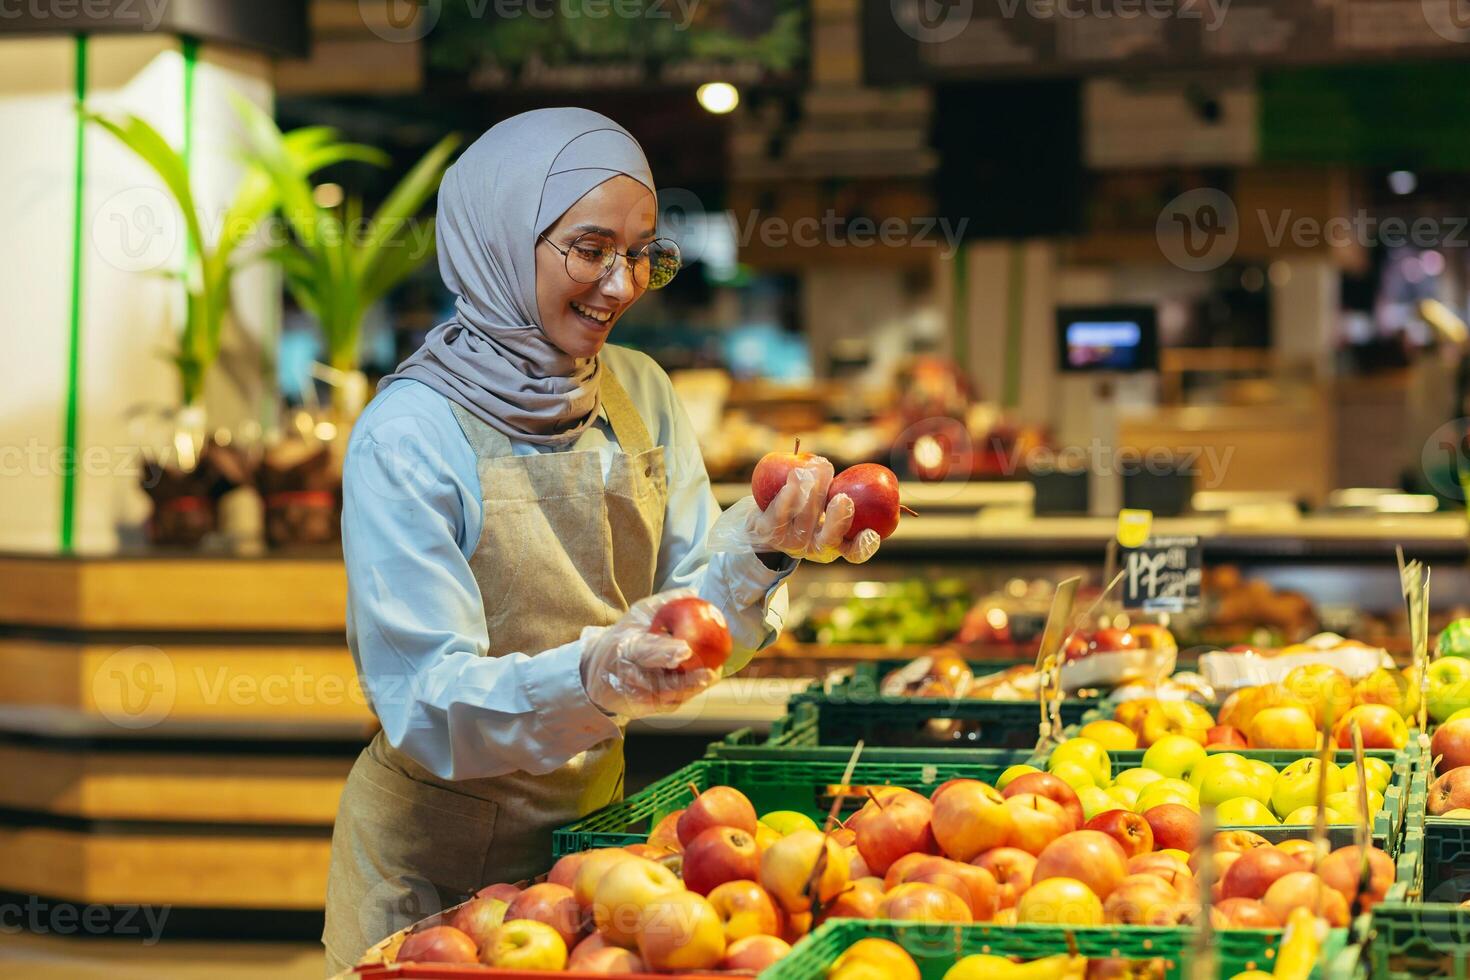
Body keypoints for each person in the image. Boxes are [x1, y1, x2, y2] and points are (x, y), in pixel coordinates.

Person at [320, 108, 881, 973]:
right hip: (434, 876)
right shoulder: (408, 434)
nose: (620, 286)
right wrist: (594, 671)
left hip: (602, 849)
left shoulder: (639, 394)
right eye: (590, 249)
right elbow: (426, 705)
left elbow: (689, 633)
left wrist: (764, 552)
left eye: (642, 254)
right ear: (500, 239)